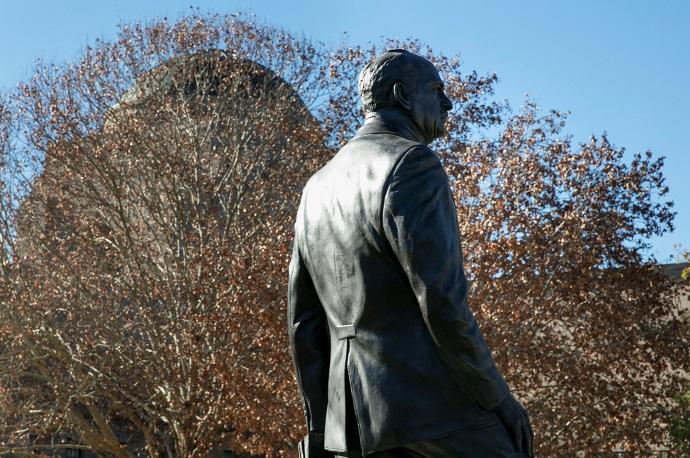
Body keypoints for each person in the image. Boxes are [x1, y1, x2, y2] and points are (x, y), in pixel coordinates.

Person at [288, 49, 533, 457]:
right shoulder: (411, 165)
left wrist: (320, 430)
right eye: (437, 90)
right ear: (402, 95)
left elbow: (303, 325)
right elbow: (442, 303)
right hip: (420, 404)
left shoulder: (316, 187)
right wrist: (497, 398)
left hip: (347, 419)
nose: (448, 103)